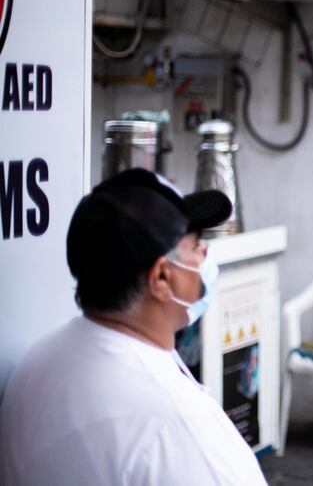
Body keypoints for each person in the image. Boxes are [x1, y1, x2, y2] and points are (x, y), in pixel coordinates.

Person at [0, 169, 268, 486]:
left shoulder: (38, 362)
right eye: (197, 246)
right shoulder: (178, 429)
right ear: (161, 278)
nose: (205, 257)